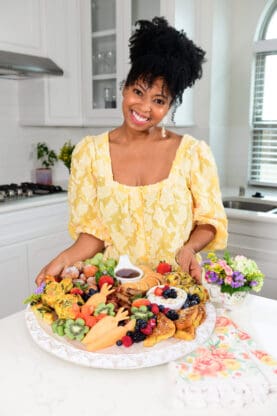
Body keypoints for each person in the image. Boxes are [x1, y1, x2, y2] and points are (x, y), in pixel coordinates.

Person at [36, 17, 227, 286]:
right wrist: (63, 259)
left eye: (159, 100)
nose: (145, 107)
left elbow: (208, 221)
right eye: (138, 91)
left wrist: (189, 248)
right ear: (124, 87)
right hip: (114, 292)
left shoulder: (193, 154)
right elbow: (94, 234)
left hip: (175, 289)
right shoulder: (89, 154)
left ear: (171, 104)